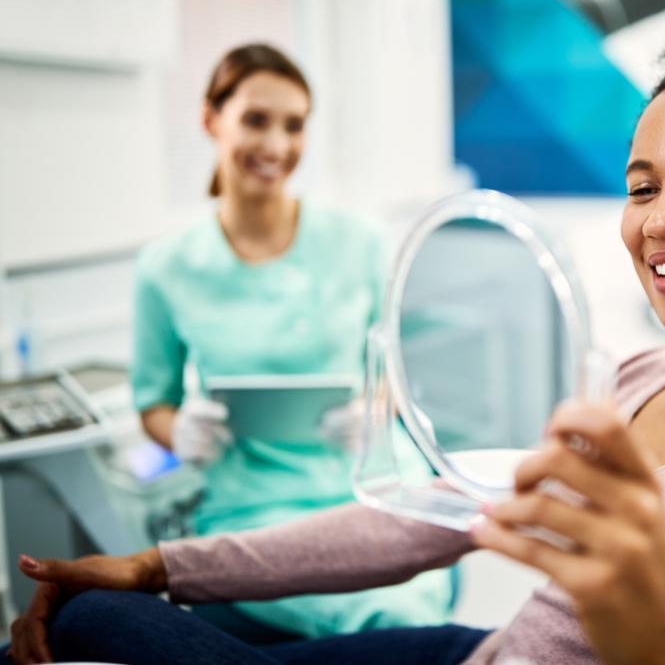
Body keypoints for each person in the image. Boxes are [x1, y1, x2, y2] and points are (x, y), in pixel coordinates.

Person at [8, 0, 665, 665]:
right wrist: (159, 564)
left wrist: (660, 646)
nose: (664, 218)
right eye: (641, 186)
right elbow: (427, 525)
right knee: (102, 606)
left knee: (84, 630)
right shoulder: (641, 382)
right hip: (481, 649)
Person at [77, 43, 455, 643]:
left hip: (368, 486)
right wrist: (179, 432)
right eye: (256, 120)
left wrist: (375, 414)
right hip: (248, 505)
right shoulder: (166, 268)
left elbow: (396, 370)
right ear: (210, 119)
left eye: (294, 125)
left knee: (405, 615)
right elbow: (153, 403)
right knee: (356, 621)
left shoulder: (358, 242)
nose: (277, 146)